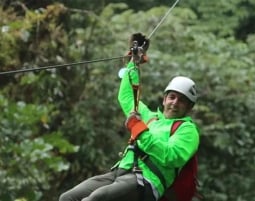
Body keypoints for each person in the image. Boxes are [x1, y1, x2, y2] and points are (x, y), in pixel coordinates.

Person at [59, 35, 200, 201]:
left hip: (148, 181)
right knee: (68, 198)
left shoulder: (187, 130)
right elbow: (127, 97)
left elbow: (171, 157)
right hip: (120, 171)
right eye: (172, 97)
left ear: (189, 108)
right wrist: (134, 63)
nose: (175, 103)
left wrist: (140, 131)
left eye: (182, 100)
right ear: (164, 99)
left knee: (95, 199)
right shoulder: (150, 117)